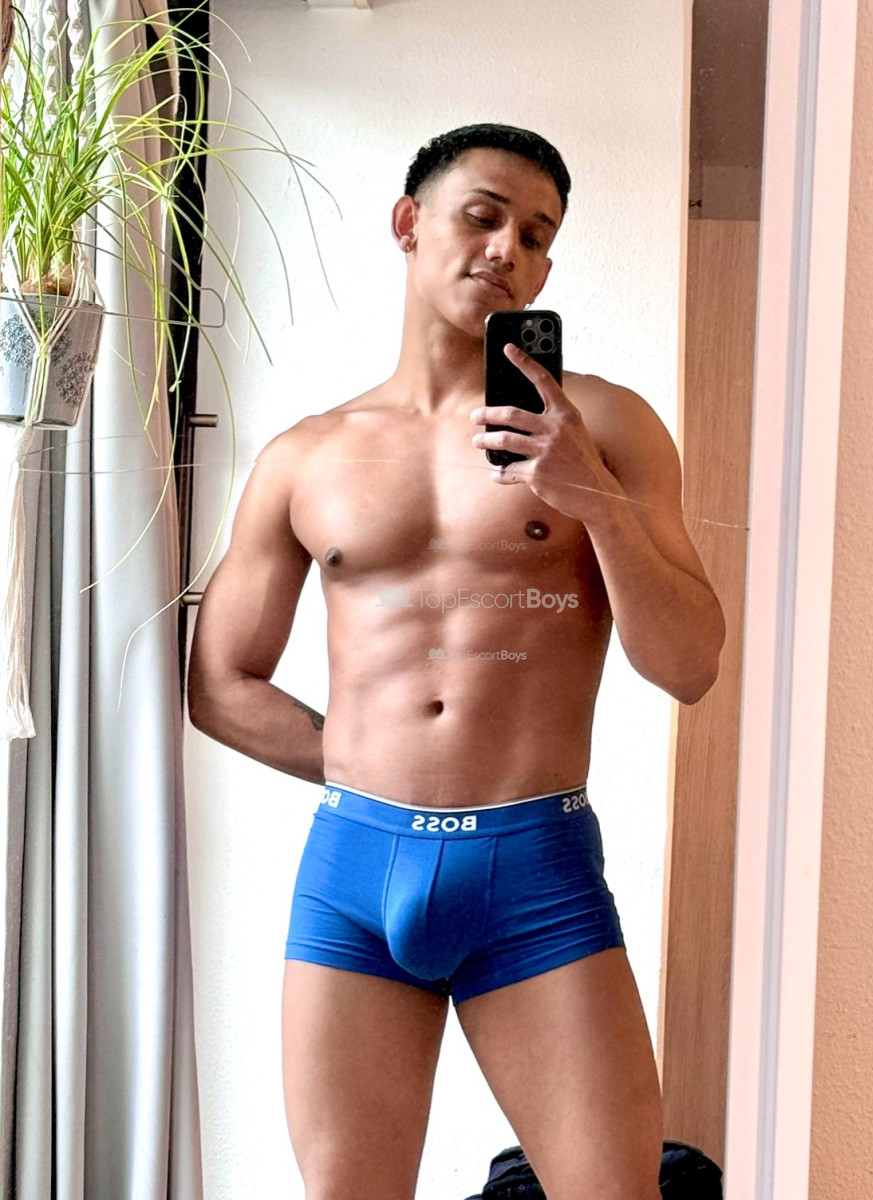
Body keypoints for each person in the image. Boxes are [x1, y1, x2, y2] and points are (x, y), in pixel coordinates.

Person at [187, 123, 726, 1200]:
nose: (506, 249)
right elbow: (219, 685)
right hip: (355, 872)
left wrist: (594, 501)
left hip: (534, 873)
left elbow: (690, 664)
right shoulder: (307, 454)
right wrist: (374, 764)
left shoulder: (607, 426)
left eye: (536, 235)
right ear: (408, 222)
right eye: (483, 216)